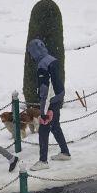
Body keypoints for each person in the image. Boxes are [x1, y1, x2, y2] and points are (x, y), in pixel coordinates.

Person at [26, 39, 70, 170]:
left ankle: (43, 161)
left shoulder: (42, 65)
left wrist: (44, 111)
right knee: (55, 126)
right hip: (58, 97)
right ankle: (65, 152)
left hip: (49, 102)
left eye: (30, 52)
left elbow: (45, 89)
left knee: (43, 130)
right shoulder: (52, 59)